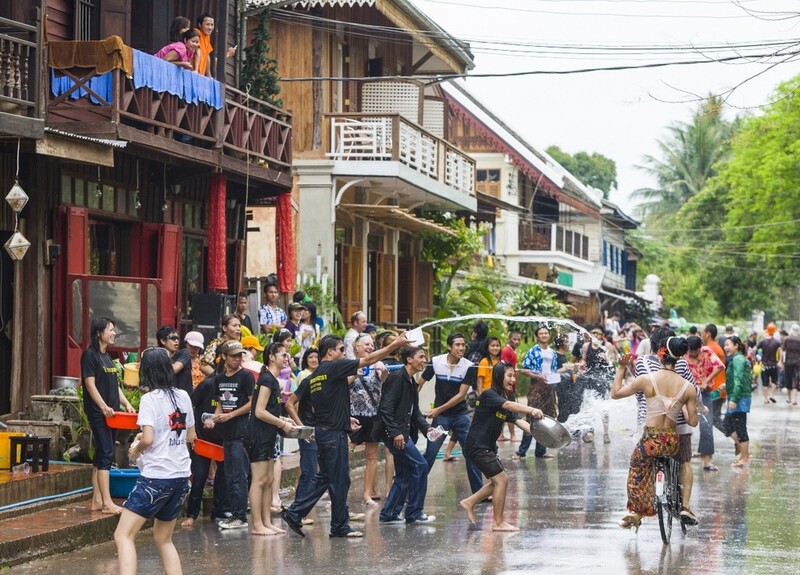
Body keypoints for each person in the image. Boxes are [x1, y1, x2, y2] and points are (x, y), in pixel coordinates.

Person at [281, 333, 411, 538]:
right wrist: (394, 345)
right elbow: (368, 360)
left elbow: (313, 403)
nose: (344, 353)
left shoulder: (313, 376)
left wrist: (342, 419)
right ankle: (338, 526)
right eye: (342, 349)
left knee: (325, 477)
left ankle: (295, 513)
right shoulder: (333, 367)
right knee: (339, 480)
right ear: (330, 352)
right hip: (333, 436)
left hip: (326, 432)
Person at [114, 346, 195, 575]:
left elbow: (149, 438)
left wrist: (136, 449)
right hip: (180, 477)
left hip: (157, 478)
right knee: (163, 539)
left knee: (123, 535)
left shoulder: (150, 399)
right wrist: (148, 438)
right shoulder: (183, 396)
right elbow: (190, 436)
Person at [610, 338, 698, 531]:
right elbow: (693, 422)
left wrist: (621, 368)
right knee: (683, 461)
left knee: (638, 465)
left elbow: (615, 393)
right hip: (672, 441)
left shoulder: (646, 380)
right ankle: (683, 504)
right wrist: (682, 409)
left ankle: (636, 510)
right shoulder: (688, 388)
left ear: (660, 354)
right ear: (680, 357)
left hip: (650, 440)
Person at [460, 362, 544, 532]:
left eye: (514, 376)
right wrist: (532, 409)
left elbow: (517, 420)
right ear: (499, 376)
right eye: (509, 376)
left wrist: (540, 434)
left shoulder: (508, 397)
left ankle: (469, 502)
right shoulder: (488, 395)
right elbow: (507, 406)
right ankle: (498, 523)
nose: (513, 379)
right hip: (477, 446)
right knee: (502, 480)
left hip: (487, 447)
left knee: (497, 482)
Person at [82, 317, 136, 515]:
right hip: (99, 413)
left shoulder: (108, 356)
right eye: (110, 330)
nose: (114, 333)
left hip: (113, 414)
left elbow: (115, 386)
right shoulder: (90, 355)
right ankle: (107, 503)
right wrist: (103, 406)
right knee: (106, 454)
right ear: (99, 333)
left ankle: (97, 500)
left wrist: (127, 403)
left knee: (100, 456)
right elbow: (90, 384)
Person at [378, 346, 437, 525]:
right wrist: (395, 432)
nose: (424, 360)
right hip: (396, 434)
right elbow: (385, 407)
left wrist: (427, 429)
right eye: (421, 357)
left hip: (403, 433)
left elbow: (415, 412)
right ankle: (414, 512)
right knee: (420, 466)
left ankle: (389, 514)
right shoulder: (397, 378)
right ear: (409, 359)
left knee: (404, 473)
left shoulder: (411, 381)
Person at [421, 333, 484, 495]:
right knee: (430, 453)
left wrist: (438, 409)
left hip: (460, 416)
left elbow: (461, 395)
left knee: (472, 452)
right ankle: (412, 490)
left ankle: (479, 493)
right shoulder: (435, 362)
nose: (461, 348)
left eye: (463, 345)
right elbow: (419, 383)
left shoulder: (469, 365)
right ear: (449, 346)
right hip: (441, 419)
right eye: (457, 345)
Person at [246, 343, 295, 536]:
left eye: (287, 355)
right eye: (283, 355)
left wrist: (282, 418)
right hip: (258, 435)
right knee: (259, 480)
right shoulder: (267, 379)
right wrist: (282, 424)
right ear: (271, 357)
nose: (287, 358)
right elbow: (258, 411)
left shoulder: (272, 379)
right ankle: (257, 524)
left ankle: (267, 521)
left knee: (268, 480)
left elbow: (268, 409)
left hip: (268, 434)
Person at [205, 341, 254, 530]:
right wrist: (214, 418)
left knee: (239, 475)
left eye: (240, 355)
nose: (238, 359)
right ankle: (235, 512)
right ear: (224, 357)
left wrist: (231, 415)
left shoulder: (246, 377)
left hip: (241, 431)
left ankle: (239, 515)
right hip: (225, 432)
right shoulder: (218, 379)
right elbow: (219, 404)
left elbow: (252, 403)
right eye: (234, 356)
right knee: (229, 474)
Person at [181, 372, 230, 527]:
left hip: (223, 439)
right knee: (200, 476)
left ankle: (219, 511)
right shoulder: (207, 385)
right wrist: (192, 432)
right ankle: (192, 514)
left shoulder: (232, 389)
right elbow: (190, 407)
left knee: (223, 477)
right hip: (203, 439)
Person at [349, 333, 389, 506]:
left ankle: (367, 494)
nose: (370, 347)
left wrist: (384, 373)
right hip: (352, 415)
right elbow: (343, 384)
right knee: (345, 453)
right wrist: (356, 374)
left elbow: (382, 382)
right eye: (366, 344)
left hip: (373, 415)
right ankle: (340, 491)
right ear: (356, 347)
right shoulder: (349, 365)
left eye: (372, 345)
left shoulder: (377, 364)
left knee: (372, 456)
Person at [515, 326, 559, 459]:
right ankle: (521, 451)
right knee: (532, 418)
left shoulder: (553, 352)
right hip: (536, 387)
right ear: (537, 336)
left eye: (546, 333)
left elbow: (554, 371)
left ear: (549, 335)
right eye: (541, 333)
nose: (544, 335)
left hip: (550, 388)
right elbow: (524, 370)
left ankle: (541, 451)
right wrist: (538, 376)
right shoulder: (533, 351)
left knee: (546, 418)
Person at [685, 335, 725, 472]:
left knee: (707, 425)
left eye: (695, 351)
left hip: (704, 392)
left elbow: (720, 366)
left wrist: (706, 380)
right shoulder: (683, 353)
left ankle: (707, 461)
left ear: (700, 348)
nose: (692, 354)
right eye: (690, 351)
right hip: (686, 392)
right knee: (682, 425)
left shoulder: (707, 351)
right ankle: (682, 459)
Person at [724, 336, 752, 467]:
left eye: (728, 344)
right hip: (736, 396)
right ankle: (743, 451)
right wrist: (725, 386)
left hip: (739, 398)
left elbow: (739, 379)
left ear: (736, 345)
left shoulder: (738, 359)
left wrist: (734, 399)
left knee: (740, 427)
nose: (725, 347)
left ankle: (745, 457)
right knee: (728, 425)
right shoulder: (736, 359)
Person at [194, 12, 236, 78]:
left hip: (200, 75)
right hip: (192, 72)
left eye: (212, 25)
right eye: (207, 24)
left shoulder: (207, 37)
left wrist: (208, 74)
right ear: (199, 25)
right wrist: (196, 70)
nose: (210, 27)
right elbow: (197, 52)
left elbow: (207, 56)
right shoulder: (196, 33)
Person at [156, 325, 192, 396]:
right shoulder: (157, 357)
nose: (176, 341)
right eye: (173, 338)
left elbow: (175, 369)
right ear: (163, 341)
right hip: (164, 398)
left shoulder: (184, 353)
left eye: (177, 338)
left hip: (183, 399)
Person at [758, 326, 781, 404]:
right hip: (774, 364)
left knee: (765, 383)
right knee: (774, 381)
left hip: (764, 365)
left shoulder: (762, 341)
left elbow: (755, 349)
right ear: (774, 332)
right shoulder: (777, 342)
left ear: (767, 331)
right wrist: (780, 361)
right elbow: (780, 351)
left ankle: (765, 398)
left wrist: (756, 359)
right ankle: (772, 395)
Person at [781, 324, 800, 405]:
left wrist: (780, 361)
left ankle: (789, 398)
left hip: (788, 362)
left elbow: (782, 350)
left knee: (788, 379)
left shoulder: (787, 339)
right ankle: (794, 399)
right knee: (796, 379)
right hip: (797, 362)